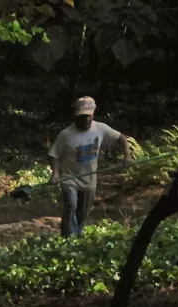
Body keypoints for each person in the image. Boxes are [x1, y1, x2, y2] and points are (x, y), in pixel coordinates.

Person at [48, 97, 133, 237]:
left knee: (84, 212)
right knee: (71, 205)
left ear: (93, 114)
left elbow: (121, 138)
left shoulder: (100, 128)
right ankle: (67, 239)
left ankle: (78, 236)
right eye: (82, 117)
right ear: (76, 116)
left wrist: (127, 155)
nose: (86, 120)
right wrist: (55, 173)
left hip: (89, 179)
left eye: (88, 116)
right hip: (70, 177)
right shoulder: (66, 134)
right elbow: (54, 155)